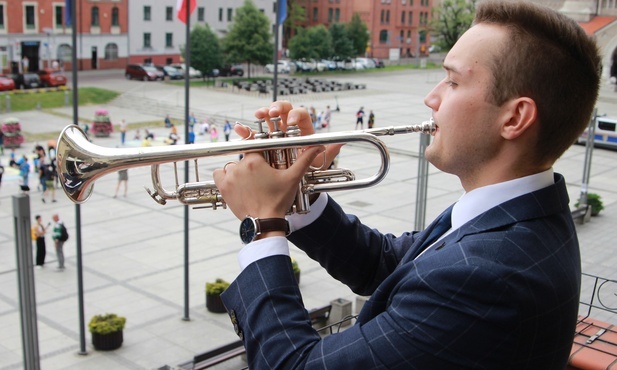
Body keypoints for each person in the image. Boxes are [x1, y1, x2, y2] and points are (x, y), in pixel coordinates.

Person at [211, 1, 601, 368]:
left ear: (515, 118)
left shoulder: (489, 276)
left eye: (451, 81)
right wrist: (300, 194)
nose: (431, 97)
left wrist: (263, 227)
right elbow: (383, 264)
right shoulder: (511, 216)